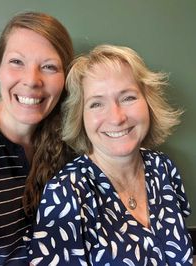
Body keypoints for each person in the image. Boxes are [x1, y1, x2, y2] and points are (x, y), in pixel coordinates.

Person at [26, 44, 194, 265]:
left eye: (128, 98)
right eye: (96, 104)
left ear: (148, 103)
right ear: (81, 118)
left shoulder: (162, 167)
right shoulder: (66, 193)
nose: (116, 118)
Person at [0, 11, 74, 265]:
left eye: (49, 66)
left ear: (65, 79)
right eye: (17, 62)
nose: (32, 80)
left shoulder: (71, 140)